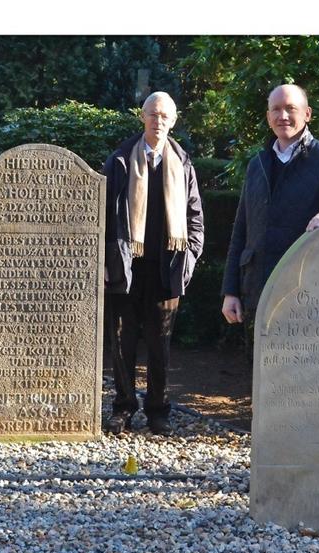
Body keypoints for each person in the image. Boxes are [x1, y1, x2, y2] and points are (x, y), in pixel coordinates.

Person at [102, 91, 204, 435]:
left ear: (173, 121)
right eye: (152, 114)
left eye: (165, 116)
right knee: (122, 342)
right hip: (126, 268)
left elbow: (194, 219)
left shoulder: (182, 162)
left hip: (167, 268)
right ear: (142, 117)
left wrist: (188, 261)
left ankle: (158, 410)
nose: (158, 121)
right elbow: (102, 213)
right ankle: (124, 407)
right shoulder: (119, 159)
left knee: (160, 343)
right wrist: (104, 259)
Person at [221, 83, 319, 327]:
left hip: (307, 292)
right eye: (275, 109)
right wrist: (230, 291)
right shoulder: (257, 164)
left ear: (307, 114)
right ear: (268, 117)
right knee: (256, 364)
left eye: (290, 108)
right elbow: (241, 230)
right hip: (257, 291)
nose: (282, 116)